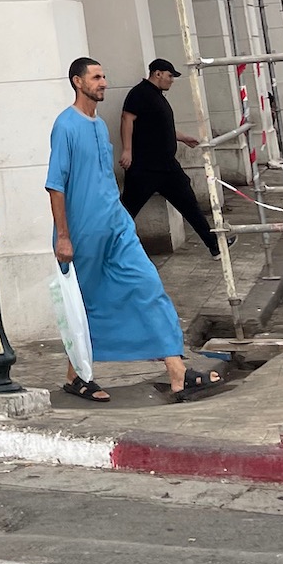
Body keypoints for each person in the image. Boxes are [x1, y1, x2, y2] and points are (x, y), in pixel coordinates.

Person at [46, 58, 222, 404]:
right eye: (96, 77)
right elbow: (56, 185)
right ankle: (77, 377)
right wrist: (63, 236)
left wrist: (122, 217)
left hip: (117, 225)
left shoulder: (97, 126)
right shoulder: (65, 126)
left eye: (104, 75)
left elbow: (104, 177)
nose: (104, 82)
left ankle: (177, 371)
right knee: (86, 304)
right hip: (82, 232)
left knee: (148, 285)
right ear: (77, 82)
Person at [119, 58, 224, 257]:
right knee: (126, 212)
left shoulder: (158, 96)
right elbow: (127, 119)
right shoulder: (139, 93)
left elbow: (162, 126)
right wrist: (126, 150)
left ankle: (215, 245)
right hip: (145, 168)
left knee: (190, 205)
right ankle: (110, 251)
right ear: (157, 73)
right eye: (169, 76)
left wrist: (183, 138)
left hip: (167, 167)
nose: (172, 80)